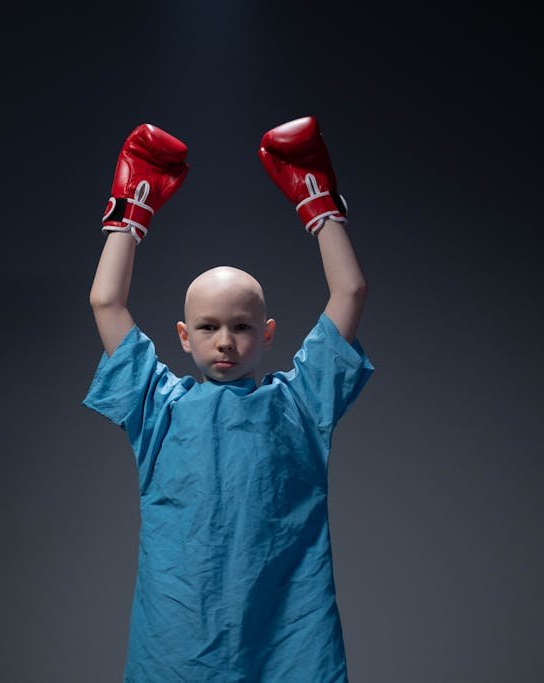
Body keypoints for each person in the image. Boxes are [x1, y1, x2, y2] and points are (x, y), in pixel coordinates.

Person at [83, 116, 374, 682]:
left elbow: (351, 291)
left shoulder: (302, 404)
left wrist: (318, 205)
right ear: (184, 336)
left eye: (241, 326)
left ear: (266, 333)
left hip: (291, 634)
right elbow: (105, 304)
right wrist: (130, 213)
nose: (225, 341)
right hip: (177, 640)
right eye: (209, 327)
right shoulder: (156, 408)